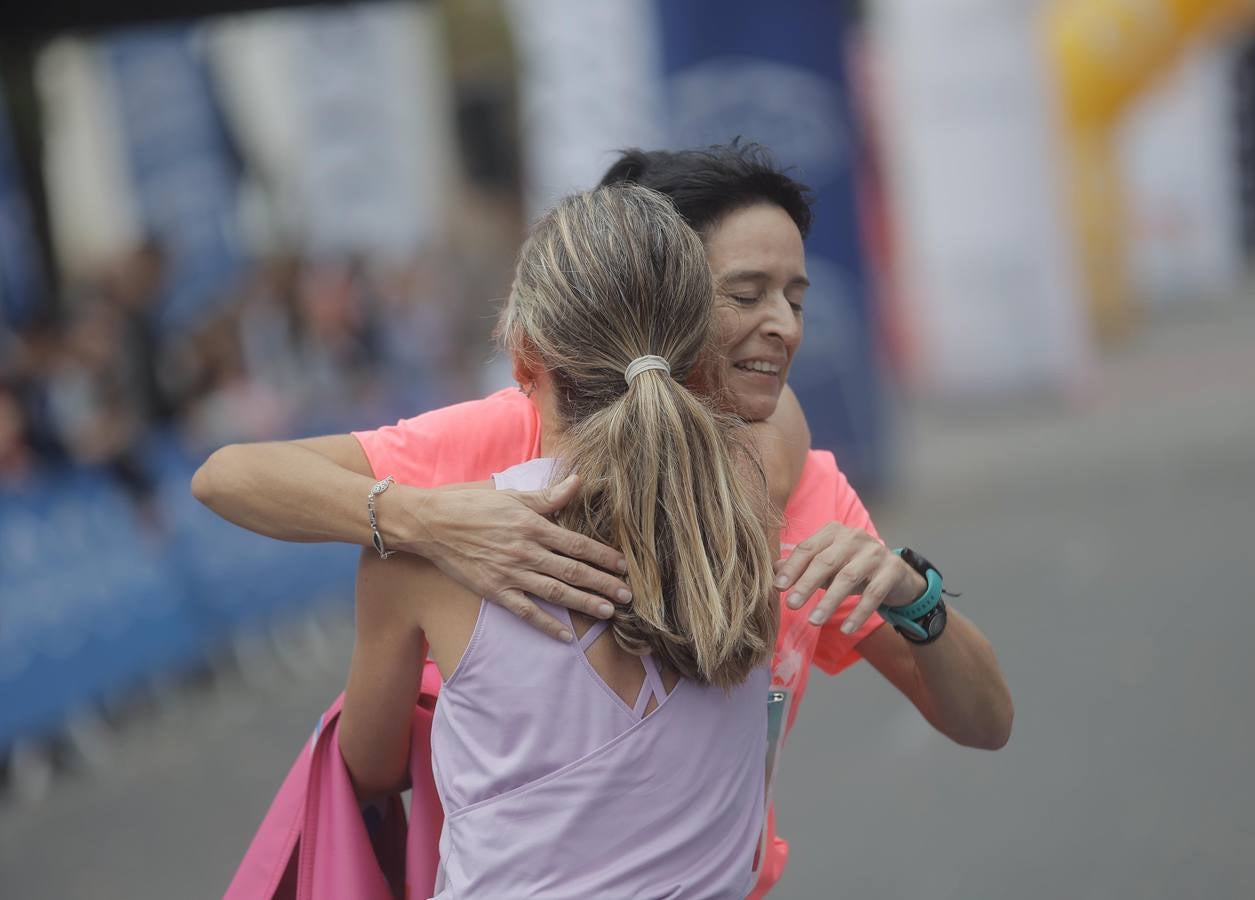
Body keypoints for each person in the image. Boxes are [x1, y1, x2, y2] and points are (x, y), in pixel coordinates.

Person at [192, 142, 1013, 896]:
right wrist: (424, 519)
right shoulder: (507, 430)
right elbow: (229, 475)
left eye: (796, 297)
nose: (785, 326)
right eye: (747, 294)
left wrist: (917, 599)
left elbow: (982, 721)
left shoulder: (788, 491)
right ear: (671, 299)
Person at [339, 183, 784, 897]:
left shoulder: (420, 558)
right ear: (699, 356)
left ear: (522, 359)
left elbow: (368, 765)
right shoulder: (742, 516)